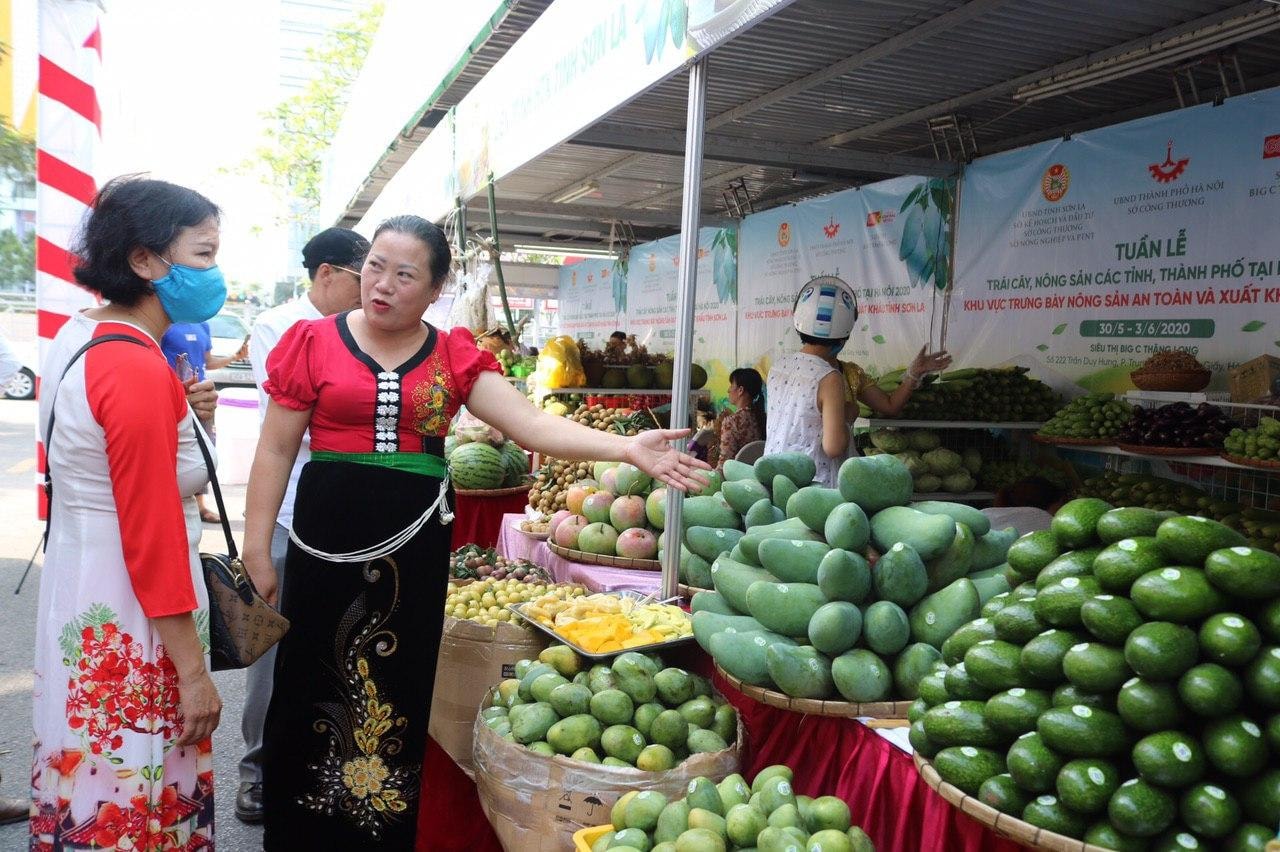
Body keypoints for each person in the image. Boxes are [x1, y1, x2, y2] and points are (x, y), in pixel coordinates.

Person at [242, 214, 708, 851]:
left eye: (404, 275)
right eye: (374, 266)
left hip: (413, 545)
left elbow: (533, 427)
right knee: (310, 678)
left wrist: (627, 448)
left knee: (396, 683)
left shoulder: (453, 354)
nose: (381, 285)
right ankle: (302, 835)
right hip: (326, 538)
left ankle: (376, 836)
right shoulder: (310, 342)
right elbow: (273, 451)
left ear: (435, 289)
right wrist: (254, 545)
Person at [30, 176, 224, 848]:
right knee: (134, 780)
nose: (213, 272)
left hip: (83, 584)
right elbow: (152, 532)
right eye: (202, 255)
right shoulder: (136, 366)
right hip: (132, 609)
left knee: (89, 763)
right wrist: (193, 673)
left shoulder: (80, 335)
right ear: (144, 261)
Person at [234, 226, 369, 824]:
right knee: (271, 646)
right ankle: (257, 772)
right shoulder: (282, 327)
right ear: (327, 275)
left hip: (352, 519)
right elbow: (291, 428)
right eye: (365, 278)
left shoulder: (365, 332)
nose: (375, 292)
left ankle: (319, 761)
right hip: (292, 513)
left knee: (337, 643)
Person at [765, 275, 950, 487]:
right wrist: (848, 415)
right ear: (844, 336)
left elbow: (889, 406)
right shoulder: (829, 377)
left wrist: (913, 373)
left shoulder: (777, 367)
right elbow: (834, 448)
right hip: (813, 485)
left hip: (775, 477)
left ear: (798, 323)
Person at [160, 321, 247, 523]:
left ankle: (200, 506)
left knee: (202, 450)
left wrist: (235, 357)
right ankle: (171, 504)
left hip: (202, 398)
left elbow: (208, 362)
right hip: (173, 398)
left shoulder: (203, 325)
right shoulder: (167, 323)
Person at [719, 367, 766, 466]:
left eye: (731, 385)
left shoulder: (732, 422)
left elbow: (725, 463)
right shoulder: (763, 418)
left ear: (740, 390)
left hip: (736, 478)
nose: (728, 390)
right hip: (760, 476)